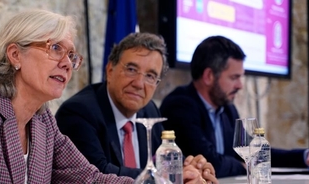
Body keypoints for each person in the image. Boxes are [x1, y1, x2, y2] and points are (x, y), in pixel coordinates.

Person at [0, 9, 134, 183]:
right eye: (55, 48)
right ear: (15, 55)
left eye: (71, 55)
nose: (66, 64)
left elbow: (90, 179)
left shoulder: (43, 122)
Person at [55, 32, 218, 184]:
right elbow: (99, 174)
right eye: (131, 70)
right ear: (110, 70)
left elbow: (163, 163)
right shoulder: (79, 112)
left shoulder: (149, 110)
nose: (139, 84)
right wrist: (170, 178)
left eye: (150, 76)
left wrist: (192, 169)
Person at [160, 35, 309, 178]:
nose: (240, 85)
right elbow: (208, 162)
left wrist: (304, 156)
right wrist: (242, 166)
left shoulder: (227, 109)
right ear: (209, 76)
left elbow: (254, 153)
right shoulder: (180, 106)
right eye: (234, 77)